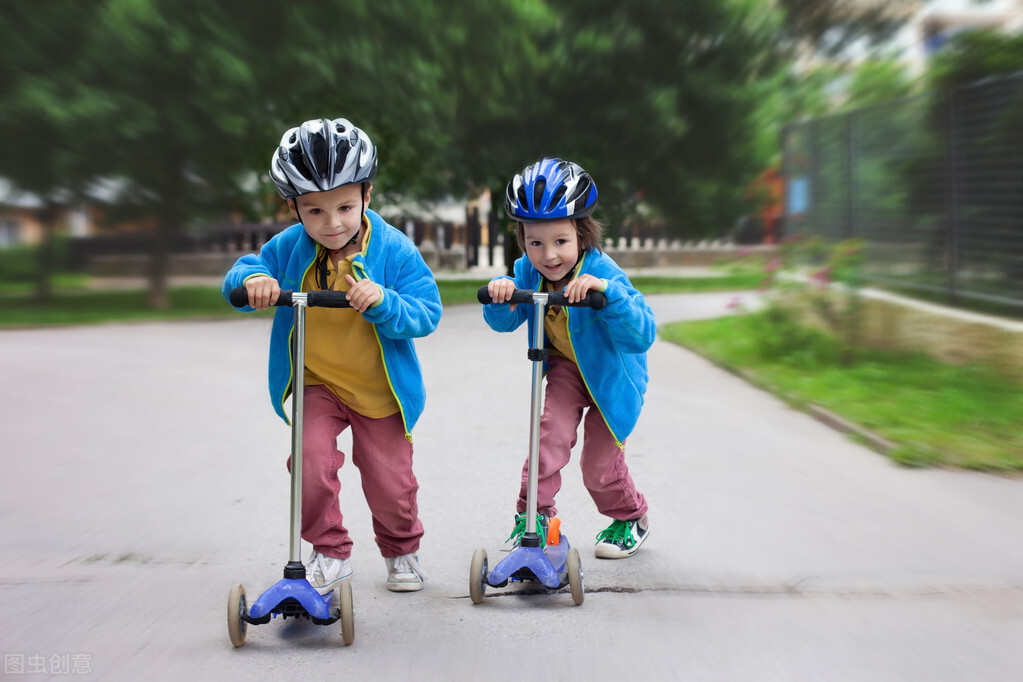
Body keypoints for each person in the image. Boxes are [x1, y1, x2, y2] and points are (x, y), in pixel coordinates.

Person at [223, 117, 441, 592]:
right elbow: (243, 271)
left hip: (378, 389)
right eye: (314, 211)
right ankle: (329, 550)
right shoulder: (289, 247)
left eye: (344, 206)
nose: (332, 223)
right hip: (317, 382)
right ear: (294, 208)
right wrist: (253, 280)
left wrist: (385, 302)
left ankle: (401, 550)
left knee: (389, 482)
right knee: (308, 464)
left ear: (367, 195)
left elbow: (427, 312)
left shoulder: (395, 250)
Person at [483, 157, 655, 559]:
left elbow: (642, 334)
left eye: (560, 241)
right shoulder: (527, 271)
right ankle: (534, 518)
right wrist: (501, 296)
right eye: (535, 243)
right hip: (565, 369)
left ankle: (631, 517)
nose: (548, 255)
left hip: (612, 378)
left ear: (582, 233)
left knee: (598, 467)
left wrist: (608, 294)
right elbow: (505, 322)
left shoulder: (604, 272)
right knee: (549, 438)